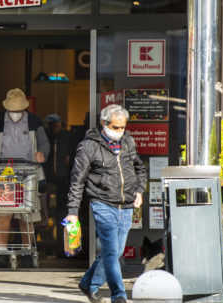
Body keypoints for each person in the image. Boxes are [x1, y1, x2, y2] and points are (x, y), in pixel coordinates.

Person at [65, 104, 146, 303]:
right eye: (115, 127)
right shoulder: (89, 146)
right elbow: (77, 180)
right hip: (102, 203)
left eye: (122, 127)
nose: (119, 131)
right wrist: (72, 211)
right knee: (111, 251)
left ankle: (87, 284)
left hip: (126, 205)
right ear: (104, 123)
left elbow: (140, 169)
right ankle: (118, 294)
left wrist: (139, 190)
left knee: (116, 251)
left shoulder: (128, 142)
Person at [0, 88, 50, 268]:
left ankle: (27, 250)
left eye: (18, 111)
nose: (15, 114)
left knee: (27, 215)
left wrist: (42, 153)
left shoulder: (34, 121)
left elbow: (44, 142)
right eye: (12, 111)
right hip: (3, 174)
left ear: (24, 108)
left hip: (28, 173)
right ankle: (2, 251)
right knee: (4, 214)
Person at [43, 113, 72, 256]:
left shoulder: (66, 137)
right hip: (48, 179)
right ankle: (49, 244)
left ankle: (62, 247)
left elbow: (70, 157)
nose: (55, 126)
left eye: (57, 124)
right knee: (46, 213)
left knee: (62, 212)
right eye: (52, 124)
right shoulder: (46, 137)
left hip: (63, 180)